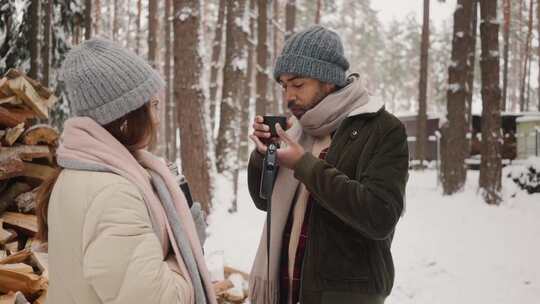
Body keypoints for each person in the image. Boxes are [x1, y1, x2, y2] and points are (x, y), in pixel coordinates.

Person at [36, 37, 216, 304]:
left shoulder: (76, 172)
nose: (156, 118)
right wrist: (184, 253)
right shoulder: (113, 194)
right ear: (125, 119)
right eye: (152, 106)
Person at [247, 25, 409, 304]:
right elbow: (265, 202)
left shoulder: (381, 128)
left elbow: (380, 215)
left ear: (329, 81)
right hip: (288, 292)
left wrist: (305, 166)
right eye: (284, 86)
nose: (288, 96)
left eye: (298, 85)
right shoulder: (298, 129)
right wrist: (265, 157)